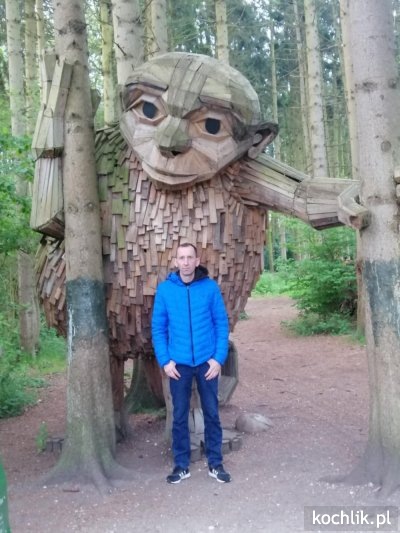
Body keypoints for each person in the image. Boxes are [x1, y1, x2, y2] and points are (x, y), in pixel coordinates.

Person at [151, 242, 231, 484]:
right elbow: (158, 328)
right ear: (176, 262)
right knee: (179, 415)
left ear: (197, 261)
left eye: (190, 258)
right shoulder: (165, 290)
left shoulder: (209, 288)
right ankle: (181, 465)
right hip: (178, 365)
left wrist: (218, 359)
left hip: (207, 362)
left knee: (212, 413)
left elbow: (221, 324)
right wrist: (166, 361)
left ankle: (215, 463)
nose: (185, 262)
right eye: (181, 258)